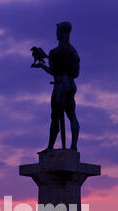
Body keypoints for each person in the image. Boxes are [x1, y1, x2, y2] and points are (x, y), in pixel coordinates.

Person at [31, 22, 80, 151]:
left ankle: (50, 147)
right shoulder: (74, 52)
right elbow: (76, 73)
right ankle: (74, 146)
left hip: (60, 85)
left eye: (57, 31)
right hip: (71, 84)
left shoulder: (55, 52)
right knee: (72, 115)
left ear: (62, 32)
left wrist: (41, 66)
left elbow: (53, 71)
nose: (56, 34)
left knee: (55, 117)